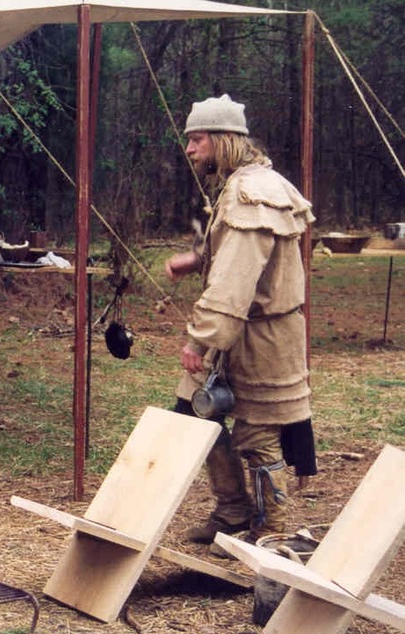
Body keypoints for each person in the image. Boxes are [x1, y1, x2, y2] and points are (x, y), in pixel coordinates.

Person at [165, 94, 317, 547]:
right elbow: (238, 258)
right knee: (195, 413)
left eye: (198, 139)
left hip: (263, 335)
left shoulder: (253, 193)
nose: (189, 149)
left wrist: (200, 339)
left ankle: (272, 529)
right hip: (240, 329)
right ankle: (232, 509)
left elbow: (237, 278)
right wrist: (196, 259)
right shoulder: (243, 185)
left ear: (225, 140)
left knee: (257, 434)